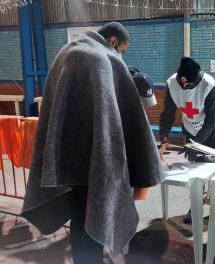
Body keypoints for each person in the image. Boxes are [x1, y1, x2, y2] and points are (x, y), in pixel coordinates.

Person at [21, 21, 164, 264]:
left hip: (68, 158)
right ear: (113, 42)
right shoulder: (105, 58)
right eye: (122, 51)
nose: (120, 56)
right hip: (98, 159)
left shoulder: (65, 53)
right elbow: (126, 119)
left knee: (80, 216)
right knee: (98, 210)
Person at [158, 57, 215, 225]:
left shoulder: (208, 84)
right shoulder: (172, 84)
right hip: (190, 127)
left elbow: (211, 119)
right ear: (182, 80)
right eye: (188, 85)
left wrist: (195, 143)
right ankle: (194, 206)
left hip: (212, 128)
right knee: (194, 169)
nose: (191, 87)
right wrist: (164, 137)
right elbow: (168, 113)